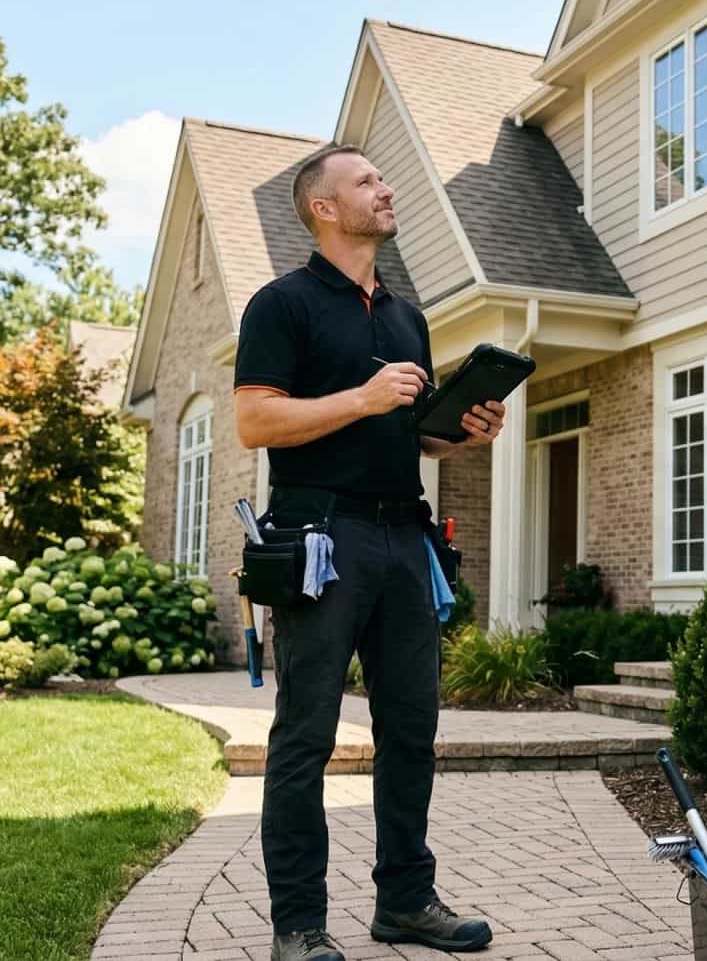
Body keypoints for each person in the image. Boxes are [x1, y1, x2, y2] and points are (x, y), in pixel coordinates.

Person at [234, 144, 505, 961]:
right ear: (324, 207)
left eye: (382, 180)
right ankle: (299, 925)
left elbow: (405, 437)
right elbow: (256, 422)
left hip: (403, 534)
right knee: (306, 735)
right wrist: (364, 395)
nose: (385, 189)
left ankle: (407, 902)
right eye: (366, 182)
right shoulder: (282, 304)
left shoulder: (404, 315)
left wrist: (457, 436)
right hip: (321, 534)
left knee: (411, 729)